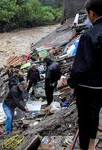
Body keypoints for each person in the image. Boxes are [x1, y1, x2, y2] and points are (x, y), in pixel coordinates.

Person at [68, 0, 102, 149]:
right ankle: (92, 144)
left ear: (92, 13)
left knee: (84, 120)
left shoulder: (88, 36)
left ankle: (84, 147)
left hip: (87, 88)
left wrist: (71, 83)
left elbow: (81, 67)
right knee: (95, 114)